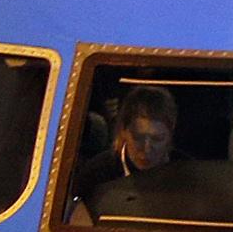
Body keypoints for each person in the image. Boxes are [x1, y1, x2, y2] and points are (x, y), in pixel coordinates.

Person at [68, 84, 177, 221]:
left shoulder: (186, 174)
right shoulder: (95, 175)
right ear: (123, 132)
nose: (147, 149)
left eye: (157, 139)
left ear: (170, 135)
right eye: (138, 137)